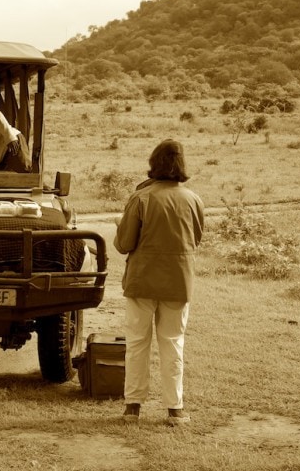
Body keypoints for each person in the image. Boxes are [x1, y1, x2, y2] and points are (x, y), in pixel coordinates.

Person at [113, 139, 204, 426]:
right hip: (178, 280)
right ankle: (174, 409)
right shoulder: (193, 199)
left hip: (142, 280)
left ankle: (133, 407)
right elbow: (196, 239)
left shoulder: (141, 198)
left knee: (137, 342)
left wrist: (120, 226)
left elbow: (125, 244)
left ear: (154, 163)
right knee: (173, 343)